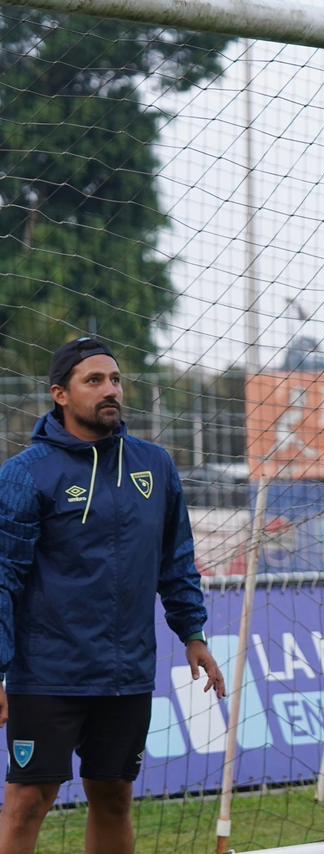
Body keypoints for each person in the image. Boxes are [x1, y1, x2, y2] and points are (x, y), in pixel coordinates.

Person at [0, 336, 226, 853]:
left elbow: (176, 559)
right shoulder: (24, 475)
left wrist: (192, 632)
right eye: (94, 380)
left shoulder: (156, 466)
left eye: (116, 380)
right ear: (60, 393)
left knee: (114, 794)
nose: (111, 390)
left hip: (125, 672)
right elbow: (2, 578)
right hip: (48, 672)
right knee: (29, 799)